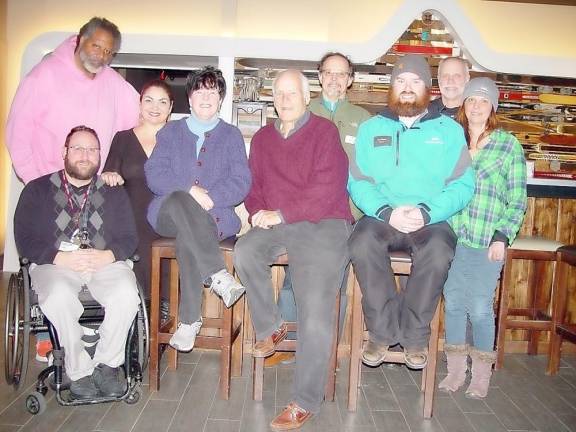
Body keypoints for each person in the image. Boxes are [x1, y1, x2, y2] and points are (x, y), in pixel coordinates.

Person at [234, 70, 352, 430]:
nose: (284, 100)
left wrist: (281, 213)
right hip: (280, 222)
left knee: (315, 307)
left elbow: (328, 187)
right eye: (278, 94)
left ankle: (305, 400)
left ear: (305, 97)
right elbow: (253, 186)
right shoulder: (265, 138)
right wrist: (257, 213)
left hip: (324, 223)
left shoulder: (324, 132)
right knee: (245, 251)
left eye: (291, 93)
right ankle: (271, 327)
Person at [348, 55, 475, 370]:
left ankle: (415, 335)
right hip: (382, 216)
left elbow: (462, 185)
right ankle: (380, 331)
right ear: (392, 86)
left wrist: (427, 212)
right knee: (361, 243)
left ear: (427, 88)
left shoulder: (448, 131)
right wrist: (386, 211)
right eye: (400, 81)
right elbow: (357, 181)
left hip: (430, 220)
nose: (407, 87)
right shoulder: (370, 128)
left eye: (415, 81)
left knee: (440, 249)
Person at [13, 126, 140, 400]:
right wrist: (60, 258)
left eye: (92, 149)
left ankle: (107, 365)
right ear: (65, 152)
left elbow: (129, 238)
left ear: (99, 155)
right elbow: (24, 239)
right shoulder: (37, 190)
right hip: (56, 263)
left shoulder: (113, 191)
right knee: (57, 296)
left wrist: (108, 255)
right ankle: (80, 370)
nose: (85, 155)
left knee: (127, 294)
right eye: (78, 148)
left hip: (103, 261)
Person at [269, 52, 371, 367]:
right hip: (301, 212)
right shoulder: (299, 110)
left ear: (350, 80)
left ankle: (326, 352)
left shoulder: (364, 119)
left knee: (333, 283)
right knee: (291, 278)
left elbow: (368, 170)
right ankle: (287, 344)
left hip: (344, 215)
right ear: (320, 76)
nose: (335, 79)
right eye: (329, 72)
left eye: (342, 74)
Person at [144, 66, 251, 352]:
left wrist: (211, 197)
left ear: (220, 99)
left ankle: (190, 321)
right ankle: (217, 274)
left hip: (213, 216)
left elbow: (241, 182)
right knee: (181, 200)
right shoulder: (170, 132)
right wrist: (190, 190)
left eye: (213, 92)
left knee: (188, 236)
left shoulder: (231, 135)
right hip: (168, 211)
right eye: (199, 91)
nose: (206, 97)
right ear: (189, 98)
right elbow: (154, 173)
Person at [439, 77, 527, 398]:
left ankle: (480, 375)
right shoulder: (454, 142)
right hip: (453, 238)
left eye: (483, 100)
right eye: (471, 100)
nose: (476, 106)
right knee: (453, 302)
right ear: (464, 105)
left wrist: (503, 235)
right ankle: (455, 370)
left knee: (478, 305)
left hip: (489, 239)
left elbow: (518, 198)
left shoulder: (508, 145)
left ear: (492, 107)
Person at [6, 16, 139, 184]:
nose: (101, 56)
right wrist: (36, 184)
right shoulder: (43, 75)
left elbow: (144, 116)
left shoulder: (114, 83)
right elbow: (17, 135)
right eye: (96, 46)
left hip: (92, 193)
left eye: (108, 51)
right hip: (48, 188)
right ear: (81, 39)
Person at [102, 79, 174, 298]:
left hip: (169, 219)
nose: (155, 107)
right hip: (132, 221)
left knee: (168, 283)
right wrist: (110, 175)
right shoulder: (122, 138)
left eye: (162, 102)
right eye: (149, 100)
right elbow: (108, 173)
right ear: (140, 103)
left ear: (170, 108)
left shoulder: (179, 140)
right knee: (134, 285)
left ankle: (165, 321)